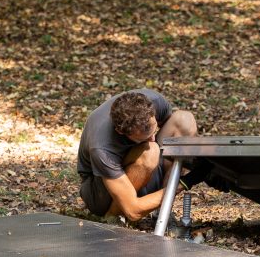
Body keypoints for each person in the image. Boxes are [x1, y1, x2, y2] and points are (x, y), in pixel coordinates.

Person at [77, 88, 208, 223]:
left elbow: (172, 132)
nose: (153, 138)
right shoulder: (101, 148)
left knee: (184, 119)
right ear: (121, 132)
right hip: (100, 191)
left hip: (142, 170)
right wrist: (185, 182)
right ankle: (112, 217)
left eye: (154, 130)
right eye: (143, 138)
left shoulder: (154, 101)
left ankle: (162, 212)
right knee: (150, 151)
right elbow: (133, 211)